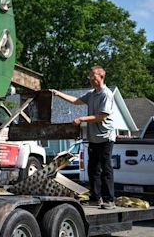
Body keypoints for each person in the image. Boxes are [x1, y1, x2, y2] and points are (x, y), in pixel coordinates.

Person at [52, 65, 116, 210]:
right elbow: (76, 101)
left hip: (105, 137)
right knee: (93, 169)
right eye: (90, 76)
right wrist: (58, 94)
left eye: (93, 76)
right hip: (93, 138)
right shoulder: (91, 94)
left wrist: (81, 119)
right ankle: (95, 198)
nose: (90, 79)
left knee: (106, 168)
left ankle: (109, 200)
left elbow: (101, 116)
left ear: (101, 76)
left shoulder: (106, 94)